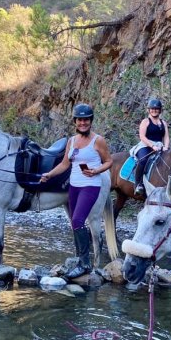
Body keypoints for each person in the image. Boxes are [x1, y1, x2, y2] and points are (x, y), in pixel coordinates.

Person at [40, 103, 113, 278]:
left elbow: (109, 161)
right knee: (74, 222)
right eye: (80, 119)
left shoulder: (98, 141)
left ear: (91, 121)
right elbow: (65, 164)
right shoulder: (71, 141)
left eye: (86, 119)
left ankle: (85, 264)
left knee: (79, 219)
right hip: (74, 186)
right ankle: (82, 259)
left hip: (91, 186)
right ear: (75, 121)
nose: (83, 123)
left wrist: (96, 171)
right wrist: (49, 174)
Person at [132, 98, 170, 196]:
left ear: (160, 110)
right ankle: (138, 185)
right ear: (149, 110)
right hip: (145, 145)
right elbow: (142, 136)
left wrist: (166, 147)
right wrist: (152, 145)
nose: (154, 110)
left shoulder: (163, 123)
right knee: (143, 160)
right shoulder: (145, 121)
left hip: (159, 146)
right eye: (152, 109)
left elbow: (166, 137)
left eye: (156, 109)